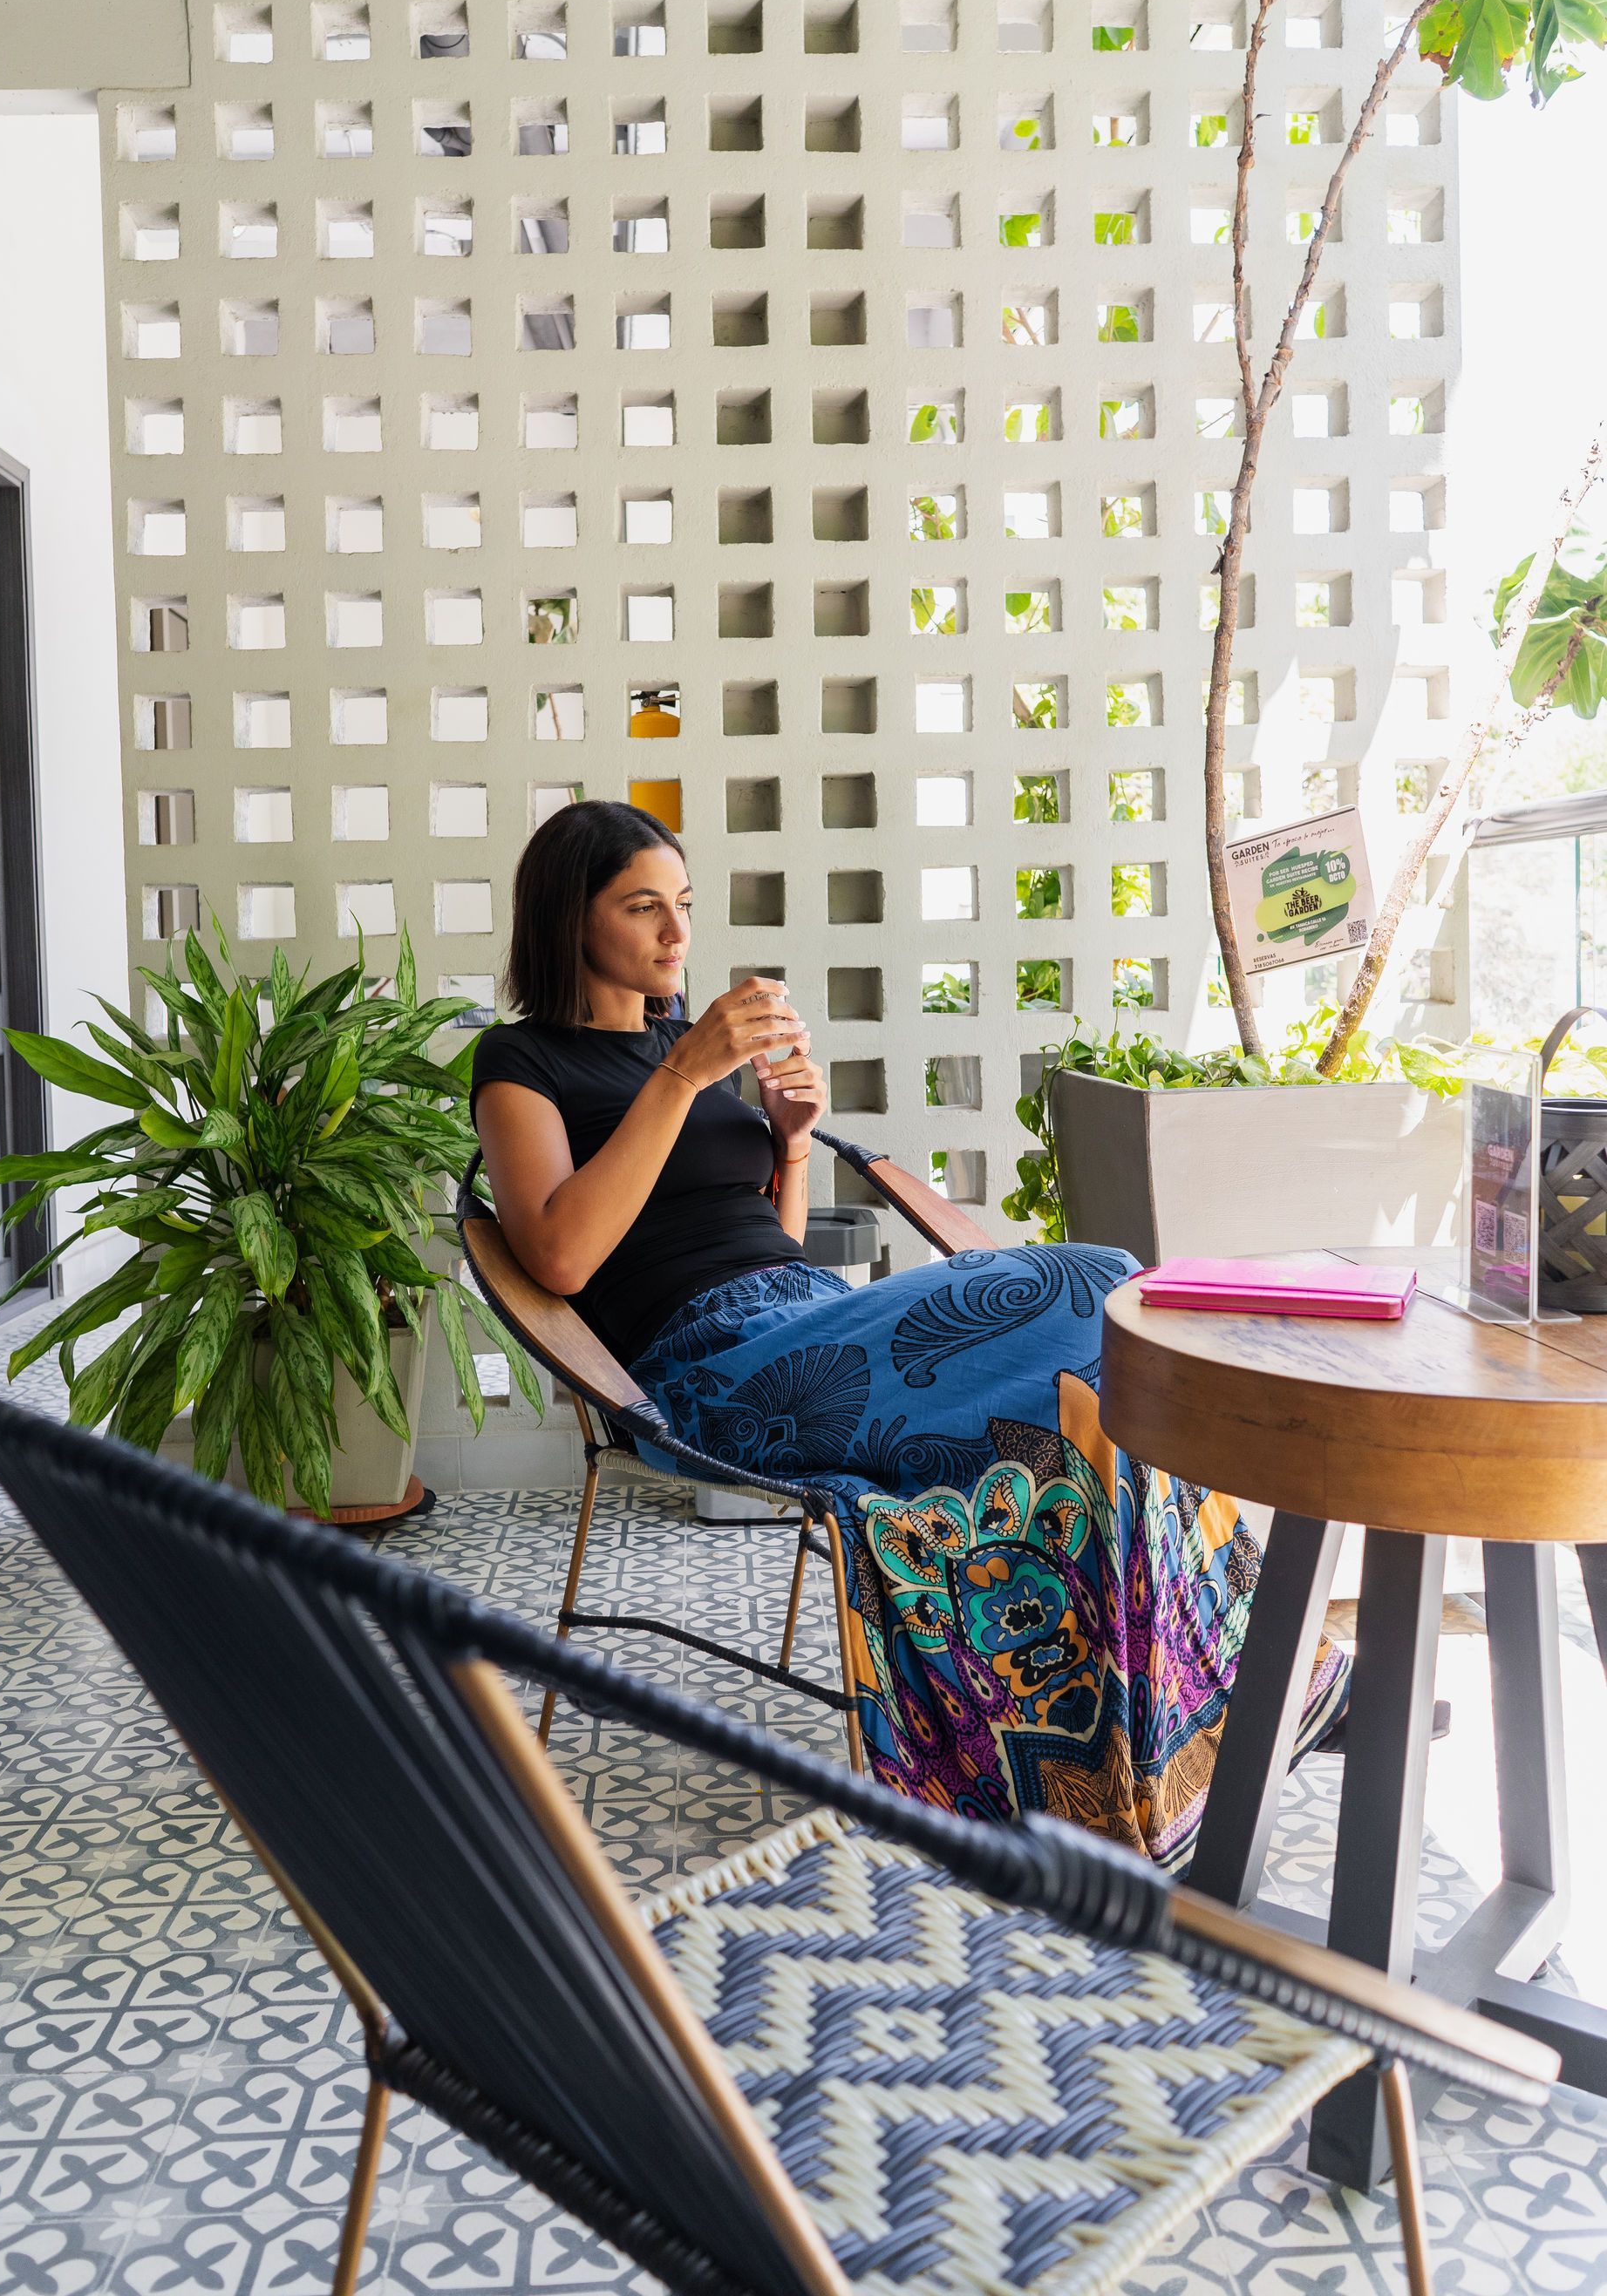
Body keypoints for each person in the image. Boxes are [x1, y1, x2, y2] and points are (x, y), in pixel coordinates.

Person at [472, 799, 1346, 1866]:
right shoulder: (525, 1066)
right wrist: (684, 1078)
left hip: (798, 1320)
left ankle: (1182, 1731)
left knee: (1092, 1402)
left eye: (685, 906)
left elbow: (763, 1241)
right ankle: (1203, 1705)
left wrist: (789, 1147)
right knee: (1103, 1281)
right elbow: (560, 1259)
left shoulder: (672, 1046)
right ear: (572, 921)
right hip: (701, 1372)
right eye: (644, 908)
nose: (676, 936)